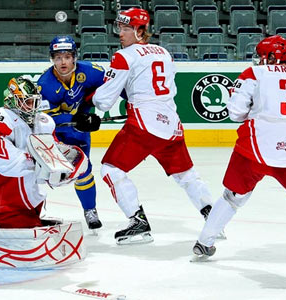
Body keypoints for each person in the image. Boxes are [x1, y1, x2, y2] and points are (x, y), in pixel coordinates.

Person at [192, 35, 286, 260]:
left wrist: (253, 111)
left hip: (254, 149)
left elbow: (236, 113)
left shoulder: (253, 73)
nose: (258, 59)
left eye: (260, 55)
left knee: (232, 197)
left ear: (269, 56)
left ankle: (203, 243)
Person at [92, 8, 215, 245]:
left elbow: (104, 100)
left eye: (126, 28)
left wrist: (95, 99)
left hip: (143, 124)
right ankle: (213, 216)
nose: (120, 33)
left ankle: (137, 222)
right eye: (120, 28)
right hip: (171, 125)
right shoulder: (164, 52)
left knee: (111, 169)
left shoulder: (124, 55)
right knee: (186, 174)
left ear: (140, 31)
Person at [0, 76, 89, 270]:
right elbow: (8, 165)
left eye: (34, 102)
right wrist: (44, 161)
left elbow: (53, 159)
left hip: (30, 201)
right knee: (27, 245)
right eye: (27, 102)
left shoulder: (44, 123)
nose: (32, 107)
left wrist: (68, 167)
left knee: (34, 237)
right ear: (13, 100)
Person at [38, 36, 104, 231]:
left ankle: (90, 210)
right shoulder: (45, 84)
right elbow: (46, 118)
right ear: (52, 60)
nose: (63, 62)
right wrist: (77, 120)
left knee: (84, 169)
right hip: (54, 134)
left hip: (79, 132)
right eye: (58, 58)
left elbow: (114, 84)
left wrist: (131, 103)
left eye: (67, 56)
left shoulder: (91, 72)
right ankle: (30, 211)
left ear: (75, 57)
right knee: (39, 174)